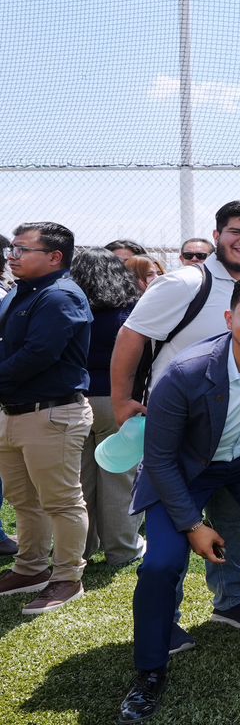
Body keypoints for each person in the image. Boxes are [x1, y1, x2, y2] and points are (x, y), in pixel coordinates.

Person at [116, 275, 240, 724]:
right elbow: (159, 460)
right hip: (182, 467)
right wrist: (193, 525)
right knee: (160, 563)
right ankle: (150, 669)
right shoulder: (185, 371)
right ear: (229, 318)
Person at [111, 199, 240, 637]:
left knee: (230, 521)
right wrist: (122, 400)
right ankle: (166, 621)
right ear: (217, 236)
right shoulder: (185, 282)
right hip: (177, 433)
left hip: (236, 435)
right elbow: (131, 335)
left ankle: (231, 600)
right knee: (172, 532)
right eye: (237, 232)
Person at [0, 222, 93, 614]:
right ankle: (30, 569)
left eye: (23, 250)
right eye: (13, 249)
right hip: (14, 413)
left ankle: (67, 577)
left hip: (52, 413)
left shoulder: (60, 295)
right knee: (24, 500)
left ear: (55, 257)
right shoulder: (23, 291)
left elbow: (39, 354)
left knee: (61, 501)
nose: (12, 256)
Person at [70, 248, 145, 568]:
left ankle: (79, 548)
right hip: (118, 401)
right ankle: (122, 549)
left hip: (74, 401)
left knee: (78, 481)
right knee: (120, 478)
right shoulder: (131, 312)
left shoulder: (68, 308)